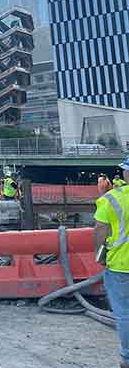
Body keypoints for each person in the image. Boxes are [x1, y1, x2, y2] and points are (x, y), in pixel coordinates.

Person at [94, 157, 129, 368]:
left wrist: (101, 256)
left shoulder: (111, 199)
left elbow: (100, 230)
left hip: (120, 267)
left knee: (125, 313)